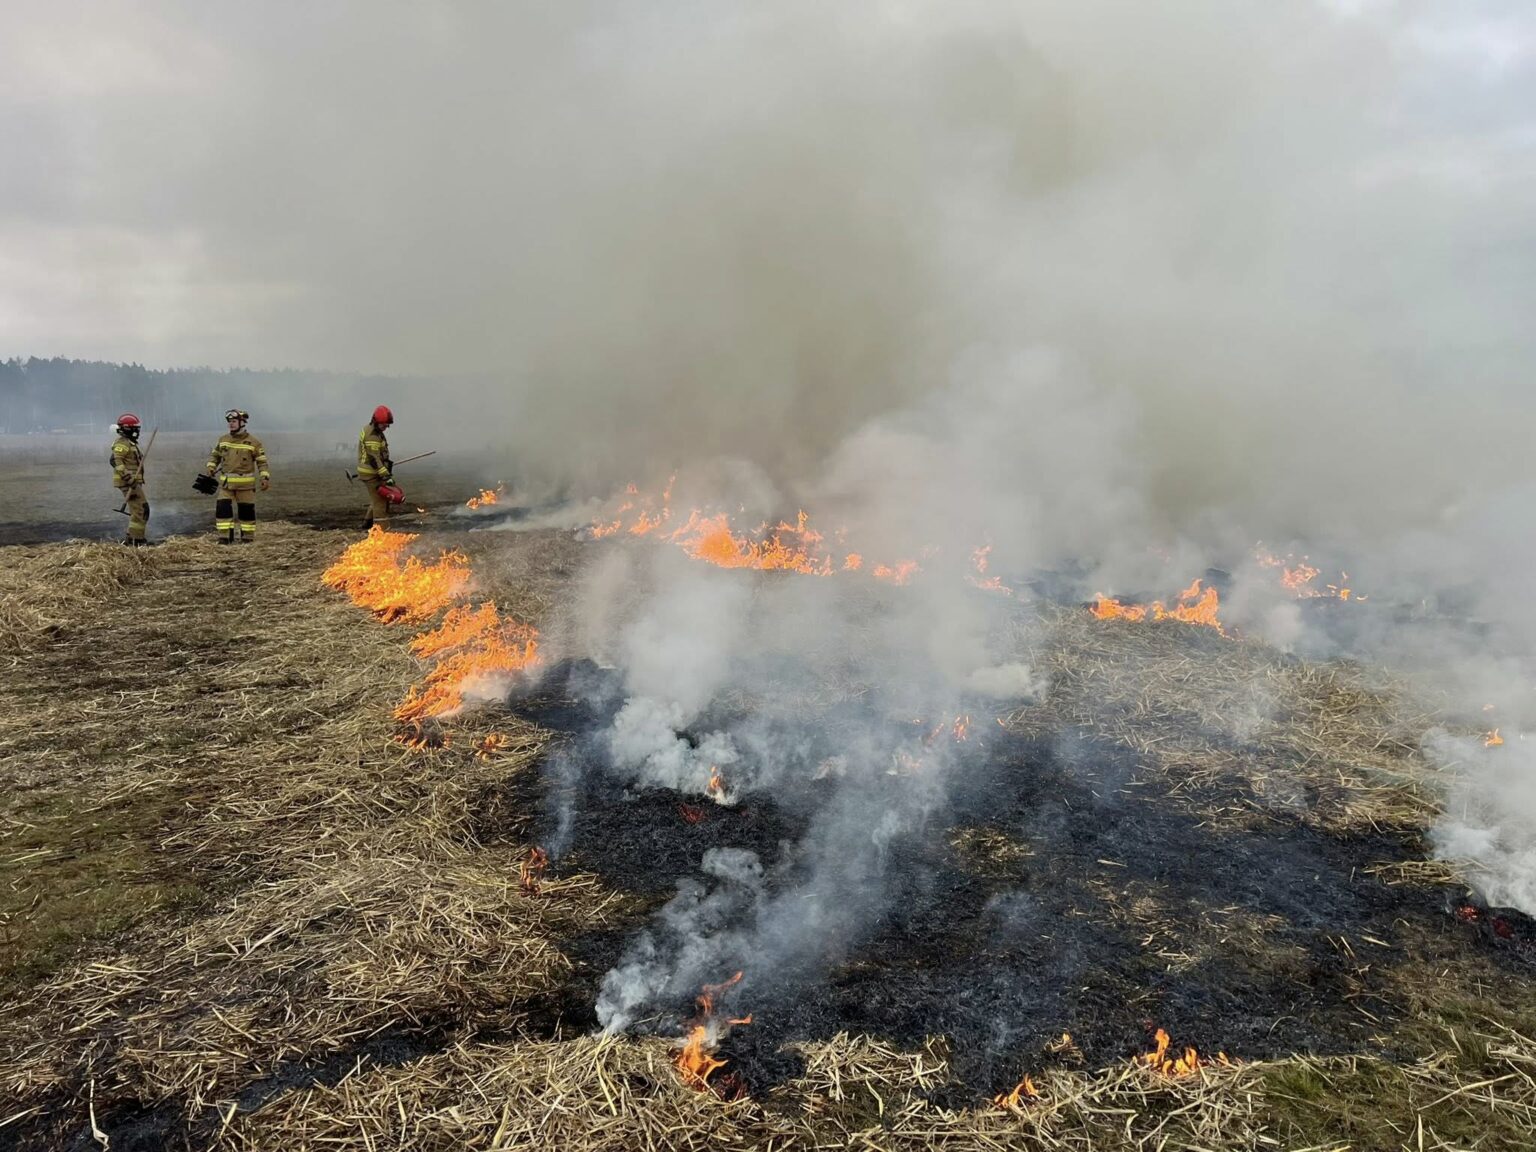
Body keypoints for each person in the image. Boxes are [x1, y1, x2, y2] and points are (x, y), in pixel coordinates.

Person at [204, 408, 270, 543]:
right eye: (229, 422)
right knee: (222, 510)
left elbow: (262, 462)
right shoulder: (223, 440)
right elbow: (215, 456)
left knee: (246, 513)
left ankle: (247, 539)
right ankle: (224, 538)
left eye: (234, 421)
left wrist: (265, 478)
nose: (231, 424)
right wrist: (211, 467)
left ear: (242, 423)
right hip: (226, 485)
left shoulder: (254, 443)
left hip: (245, 486)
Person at [110, 413, 150, 546]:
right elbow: (116, 461)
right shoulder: (122, 444)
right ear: (128, 429)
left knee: (138, 510)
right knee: (141, 510)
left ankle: (132, 538)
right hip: (128, 483)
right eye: (135, 428)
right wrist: (129, 479)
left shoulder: (129, 443)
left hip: (132, 483)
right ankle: (136, 540)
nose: (137, 431)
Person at [357, 405, 394, 530]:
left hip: (373, 471)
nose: (386, 427)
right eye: (384, 425)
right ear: (376, 422)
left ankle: (366, 524)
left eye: (387, 425)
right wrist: (386, 475)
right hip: (371, 473)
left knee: (375, 498)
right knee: (380, 501)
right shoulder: (372, 435)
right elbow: (374, 459)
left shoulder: (373, 429)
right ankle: (381, 531)